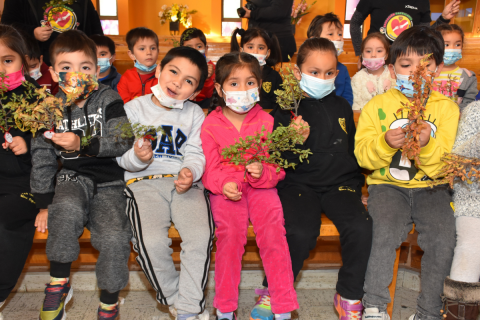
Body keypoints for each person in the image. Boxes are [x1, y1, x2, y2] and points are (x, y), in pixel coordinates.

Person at [250, 37, 371, 320]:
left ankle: (349, 294)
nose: (322, 78)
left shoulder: (342, 106)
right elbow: (278, 159)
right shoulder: (286, 108)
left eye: (329, 73)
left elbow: (351, 152)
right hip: (298, 184)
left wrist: (359, 188)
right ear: (297, 71)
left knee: (361, 226)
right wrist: (294, 141)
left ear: (337, 73)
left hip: (340, 185)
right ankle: (275, 289)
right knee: (300, 232)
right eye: (314, 72)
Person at [355, 26, 459, 320]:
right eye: (406, 65)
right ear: (392, 68)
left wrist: (425, 145)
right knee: (382, 231)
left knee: (443, 238)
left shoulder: (448, 109)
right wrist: (385, 143)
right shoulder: (377, 106)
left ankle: (428, 312)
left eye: (425, 66)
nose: (416, 72)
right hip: (388, 186)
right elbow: (363, 156)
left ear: (437, 69)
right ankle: (374, 306)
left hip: (434, 188)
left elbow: (446, 163)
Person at [31, 30, 133, 320]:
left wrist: (82, 143)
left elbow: (123, 139)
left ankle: (109, 302)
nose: (76, 74)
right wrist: (43, 202)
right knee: (64, 208)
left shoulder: (109, 98)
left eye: (85, 67)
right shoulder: (49, 108)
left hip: (109, 182)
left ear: (97, 69)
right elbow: (42, 155)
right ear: (52, 72)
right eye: (66, 68)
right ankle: (59, 281)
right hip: (72, 178)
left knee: (115, 236)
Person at [201, 52, 305, 320]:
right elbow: (209, 169)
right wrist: (223, 184)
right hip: (227, 192)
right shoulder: (211, 123)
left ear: (259, 85)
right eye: (234, 83)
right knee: (230, 238)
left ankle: (282, 306)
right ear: (220, 89)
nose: (243, 90)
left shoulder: (268, 121)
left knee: (273, 234)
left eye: (250, 82)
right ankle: (225, 307)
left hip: (262, 189)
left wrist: (262, 173)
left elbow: (278, 168)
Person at [117, 46, 213, 320]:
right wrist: (137, 156)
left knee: (199, 237)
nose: (177, 83)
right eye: (173, 72)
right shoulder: (132, 108)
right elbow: (121, 156)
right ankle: (174, 298)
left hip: (185, 185)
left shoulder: (195, 113)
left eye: (188, 81)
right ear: (158, 71)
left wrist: (190, 172)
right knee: (150, 242)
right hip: (143, 182)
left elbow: (196, 152)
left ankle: (189, 308)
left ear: (194, 93)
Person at [0, 25, 43, 320]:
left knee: (7, 219)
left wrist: (27, 143)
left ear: (24, 61)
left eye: (7, 60)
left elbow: (54, 154)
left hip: (24, 183)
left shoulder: (40, 101)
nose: (1, 69)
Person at [440, 100, 480, 320]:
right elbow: (458, 161)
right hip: (474, 197)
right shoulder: (475, 111)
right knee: (471, 247)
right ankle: (460, 315)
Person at [2, 0, 103, 66]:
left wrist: (99, 52)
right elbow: (7, 26)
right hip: (38, 65)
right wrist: (32, 32)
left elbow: (94, 27)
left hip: (77, 62)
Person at [350, 0, 460, 58]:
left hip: (406, 60)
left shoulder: (422, 1)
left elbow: (425, 34)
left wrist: (443, 18)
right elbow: (355, 22)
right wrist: (361, 53)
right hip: (376, 58)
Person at [307, 13, 353, 106]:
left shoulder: (342, 69)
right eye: (331, 34)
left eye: (340, 34)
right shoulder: (307, 68)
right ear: (314, 40)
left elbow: (348, 98)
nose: (338, 38)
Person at [231, 27, 283, 110]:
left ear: (268, 53)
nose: (255, 52)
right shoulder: (233, 74)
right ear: (241, 50)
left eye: (261, 48)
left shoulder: (274, 76)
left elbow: (279, 106)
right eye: (250, 47)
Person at [433, 24, 477, 111]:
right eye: (446, 45)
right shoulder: (427, 73)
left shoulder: (468, 77)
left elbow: (469, 104)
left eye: (457, 45)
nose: (452, 49)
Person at [351, 33, 395, 110]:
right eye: (368, 51)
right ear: (362, 55)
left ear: (386, 55)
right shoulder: (357, 78)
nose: (373, 55)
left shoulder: (392, 74)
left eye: (379, 51)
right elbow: (356, 105)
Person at [117, 27, 159, 104]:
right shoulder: (126, 78)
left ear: (158, 51)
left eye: (153, 48)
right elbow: (125, 105)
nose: (149, 52)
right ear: (132, 54)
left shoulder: (163, 76)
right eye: (142, 49)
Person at [179, 27, 215, 109]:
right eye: (189, 47)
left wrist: (208, 79)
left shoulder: (211, 67)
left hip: (205, 103)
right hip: (185, 101)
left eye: (199, 46)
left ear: (206, 49)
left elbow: (209, 94)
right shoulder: (179, 66)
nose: (195, 50)